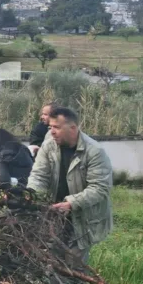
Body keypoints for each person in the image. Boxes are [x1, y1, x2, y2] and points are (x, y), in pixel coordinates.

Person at [27, 107, 113, 265]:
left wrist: (71, 203)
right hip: (55, 214)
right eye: (50, 127)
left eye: (57, 127)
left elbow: (100, 188)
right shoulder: (48, 147)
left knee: (74, 264)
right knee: (53, 262)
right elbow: (39, 176)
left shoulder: (94, 151)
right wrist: (30, 193)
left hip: (83, 216)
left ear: (73, 128)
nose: (52, 131)